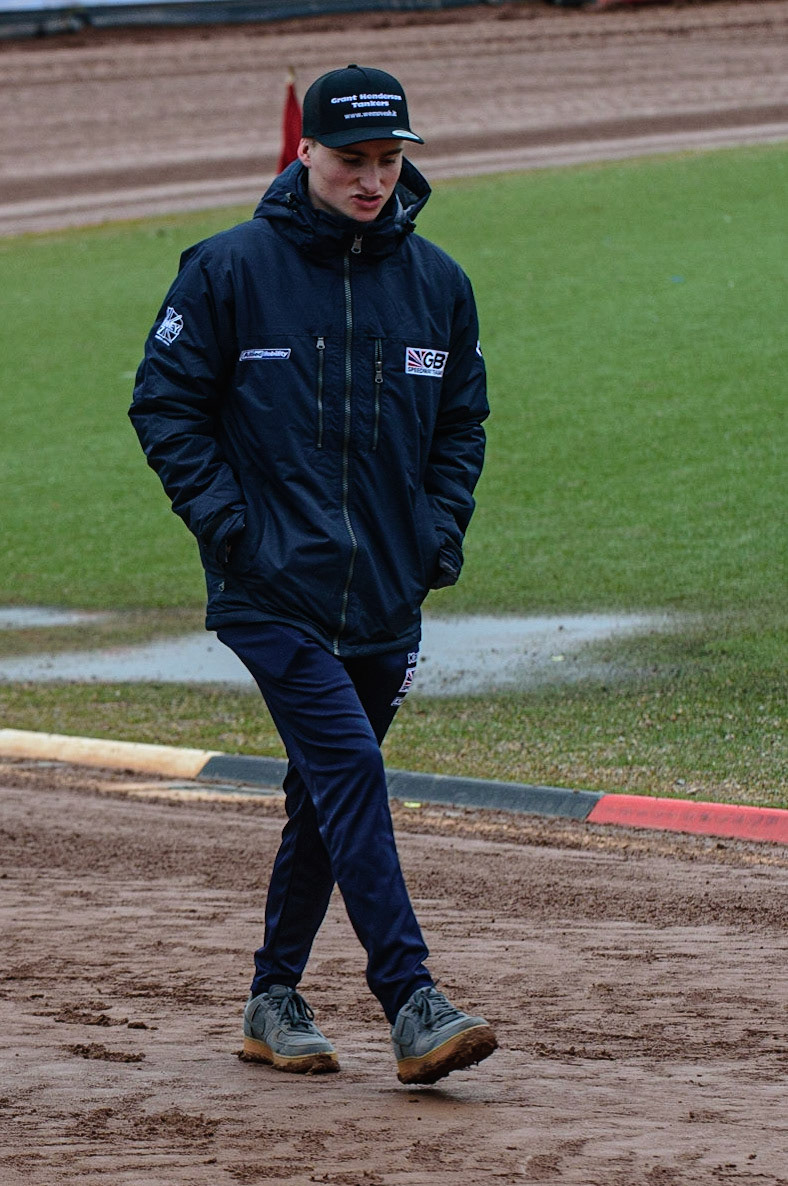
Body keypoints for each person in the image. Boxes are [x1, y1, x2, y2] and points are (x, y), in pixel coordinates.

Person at [129, 64, 495, 1085]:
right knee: (349, 771)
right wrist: (227, 526)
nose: (372, 180)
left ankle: (271, 996)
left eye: (387, 161)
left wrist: (435, 531)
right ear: (306, 153)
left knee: (323, 798)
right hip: (270, 589)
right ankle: (411, 997)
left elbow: (460, 422)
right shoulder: (225, 271)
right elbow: (164, 405)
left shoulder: (438, 285)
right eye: (351, 161)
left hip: (386, 591)